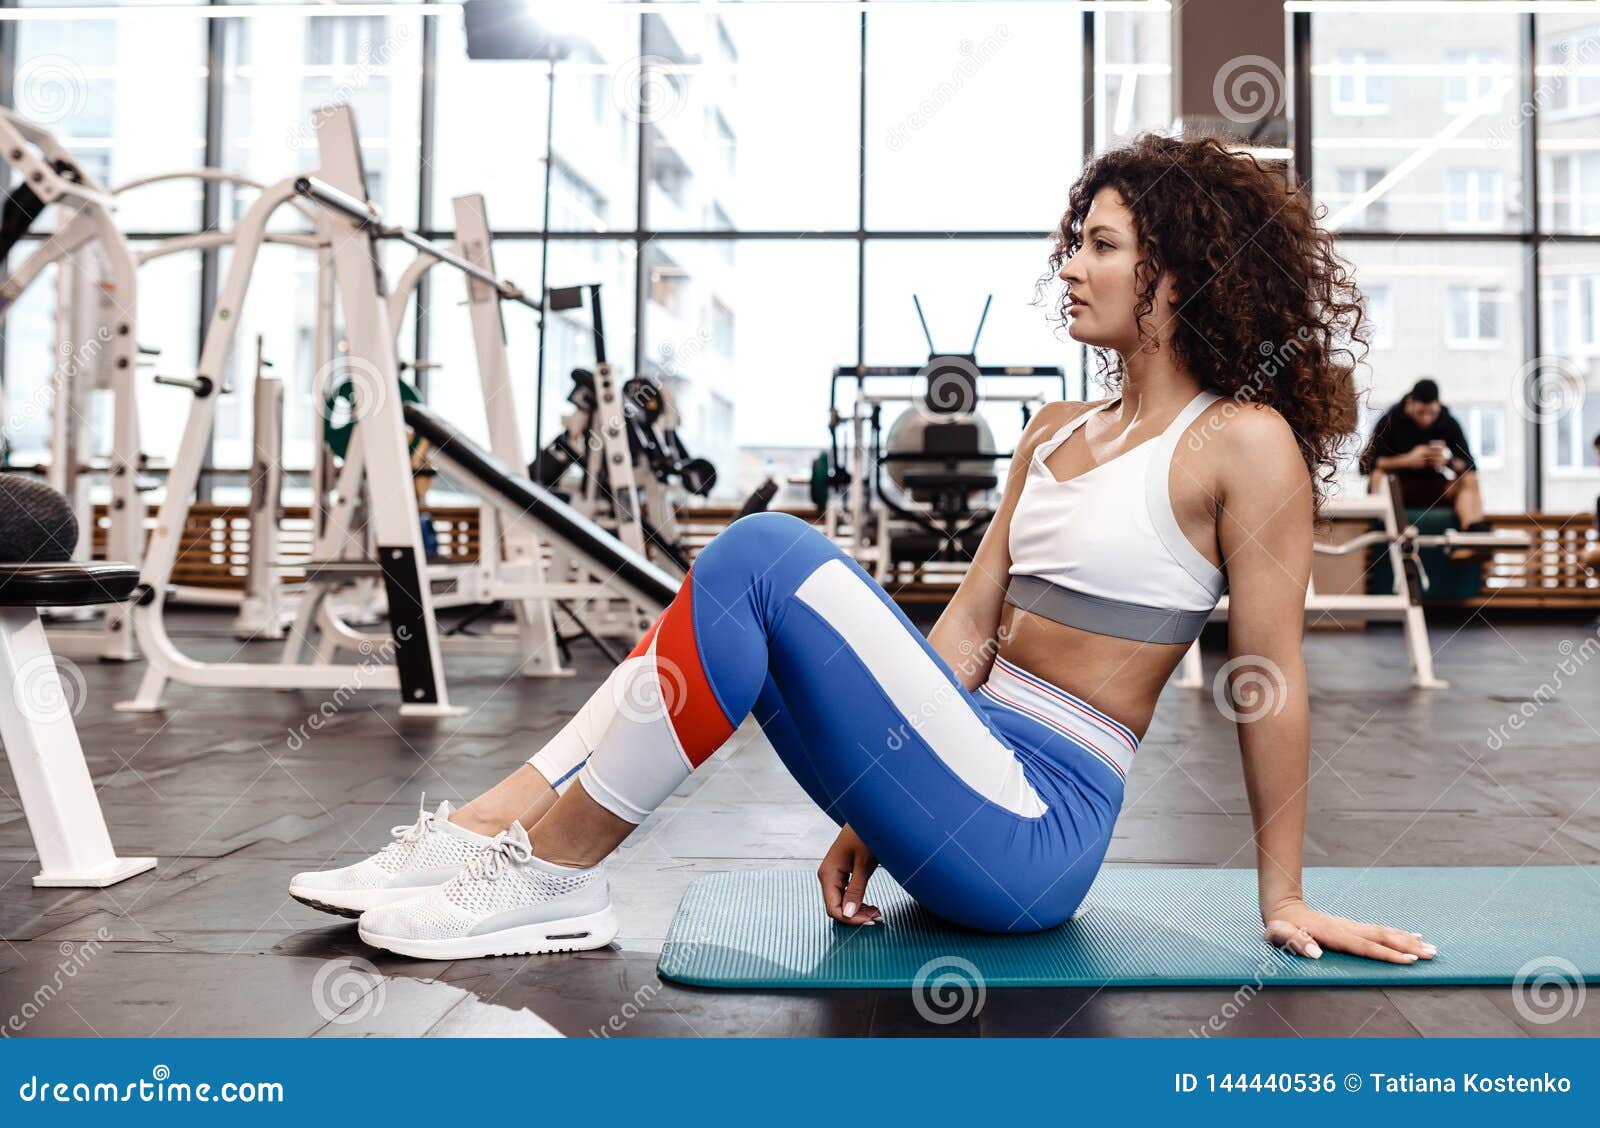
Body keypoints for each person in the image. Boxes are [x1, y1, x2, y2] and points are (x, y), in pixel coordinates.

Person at [290, 132, 1436, 969]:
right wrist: (875, 813)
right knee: (730, 600)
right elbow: (967, 634)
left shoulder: (1242, 445)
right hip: (961, 772)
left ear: (1174, 270)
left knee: (760, 552)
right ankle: (494, 834)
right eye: (1068, 244)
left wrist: (1283, 897)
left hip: (1040, 827)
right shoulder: (1054, 429)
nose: (1067, 269)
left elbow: (1269, 677)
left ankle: (552, 874)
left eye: (1097, 245)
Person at [1359, 379, 1489, 534]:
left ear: (1438, 406)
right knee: (1378, 475)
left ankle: (1471, 529)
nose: (1426, 419)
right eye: (1421, 413)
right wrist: (1407, 460)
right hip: (1400, 488)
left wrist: (1447, 461)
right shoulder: (1390, 420)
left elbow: (1470, 465)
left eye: (1431, 413)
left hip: (1433, 486)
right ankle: (1384, 527)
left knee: (1469, 478)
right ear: (1410, 402)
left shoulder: (1447, 422)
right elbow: (1366, 464)